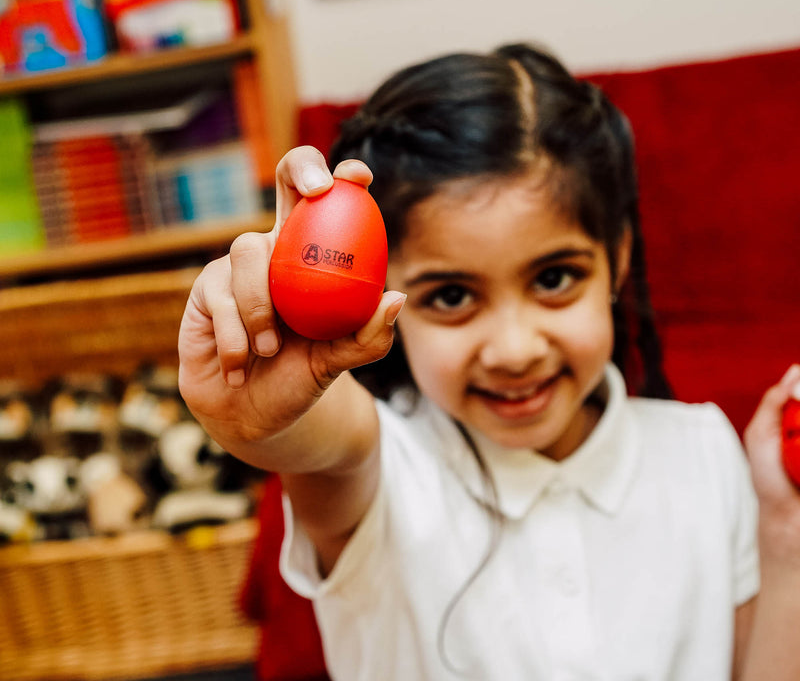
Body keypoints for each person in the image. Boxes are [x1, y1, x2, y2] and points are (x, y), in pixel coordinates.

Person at [178, 43, 800, 680]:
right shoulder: (386, 472)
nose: (515, 350)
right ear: (382, 287)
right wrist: (272, 408)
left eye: (555, 279)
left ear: (616, 259)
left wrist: (787, 538)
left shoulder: (702, 451)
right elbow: (332, 442)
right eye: (452, 296)